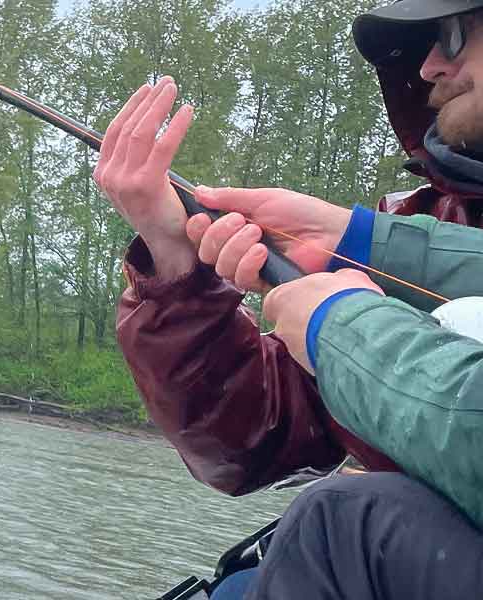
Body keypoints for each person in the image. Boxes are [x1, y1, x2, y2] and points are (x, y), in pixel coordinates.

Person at [95, 0, 483, 597]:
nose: (430, 66)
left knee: (339, 519)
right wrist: (174, 263)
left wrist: (337, 321)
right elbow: (254, 440)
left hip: (362, 544)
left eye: (457, 35)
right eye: (429, 41)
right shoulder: (420, 222)